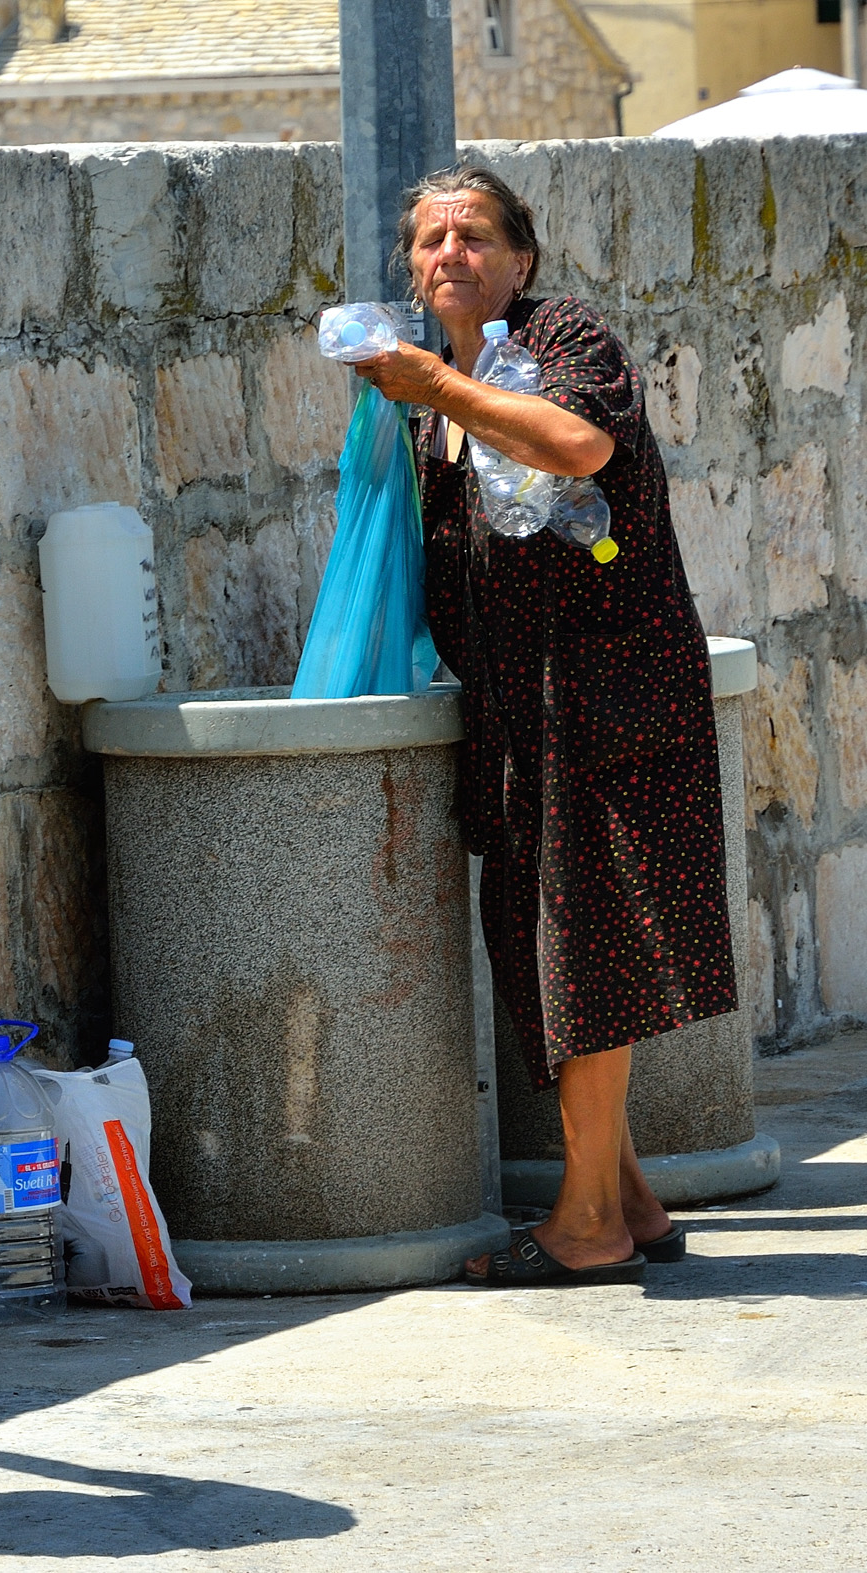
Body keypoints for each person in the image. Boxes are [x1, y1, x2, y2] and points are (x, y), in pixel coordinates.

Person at [350, 165, 736, 1287]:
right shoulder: (444, 401)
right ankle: (628, 1197)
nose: (448, 256)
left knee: (587, 958)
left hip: (606, 703)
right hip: (525, 718)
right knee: (539, 953)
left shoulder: (561, 341)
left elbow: (577, 450)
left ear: (521, 260)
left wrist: (430, 382)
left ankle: (585, 1224)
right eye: (429, 241)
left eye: (474, 237)